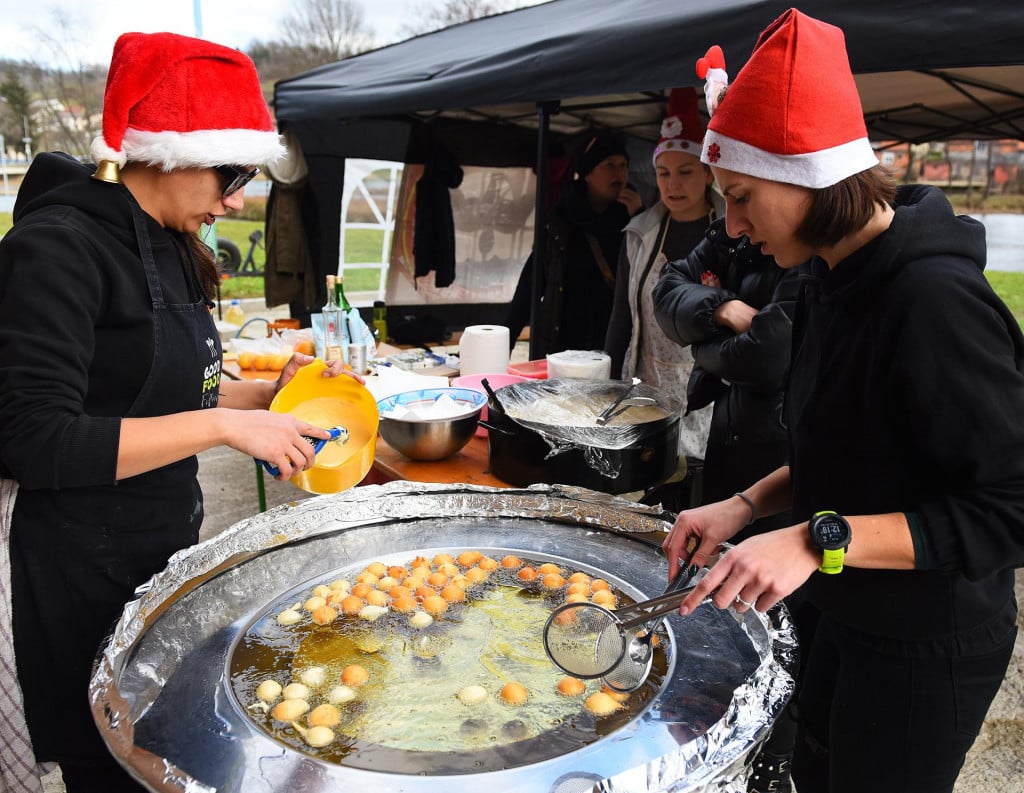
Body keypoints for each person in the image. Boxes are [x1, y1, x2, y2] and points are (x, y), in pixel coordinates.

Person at [663, 9, 1024, 793]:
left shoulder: (934, 304)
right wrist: (744, 502)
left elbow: (1008, 508)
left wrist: (811, 539)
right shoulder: (826, 274)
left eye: (744, 195)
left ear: (808, 176)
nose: (733, 224)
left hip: (926, 643)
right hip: (843, 608)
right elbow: (846, 443)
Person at [0, 33, 358, 793]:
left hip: (158, 541)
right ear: (166, 153)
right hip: (77, 562)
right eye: (229, 174)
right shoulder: (57, 249)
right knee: (114, 762)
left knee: (163, 744)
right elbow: (34, 439)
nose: (235, 200)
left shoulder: (173, 241)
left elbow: (165, 382)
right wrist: (226, 428)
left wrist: (262, 397)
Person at [604, 88, 721, 508]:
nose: (673, 184)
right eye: (664, 172)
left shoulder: (732, 232)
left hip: (710, 393)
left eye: (686, 171)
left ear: (708, 173)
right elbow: (622, 317)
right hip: (648, 388)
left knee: (700, 498)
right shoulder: (639, 234)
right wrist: (609, 387)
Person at [653, 217, 798, 537]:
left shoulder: (808, 254)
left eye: (742, 196)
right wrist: (725, 307)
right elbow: (665, 291)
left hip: (782, 444)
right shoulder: (732, 236)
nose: (732, 222)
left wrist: (700, 343)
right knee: (715, 559)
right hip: (727, 427)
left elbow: (767, 357)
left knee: (762, 566)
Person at [504, 131, 643, 357]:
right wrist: (506, 340)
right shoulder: (561, 219)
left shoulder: (635, 218)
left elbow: (648, 275)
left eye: (623, 165)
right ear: (587, 174)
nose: (619, 173)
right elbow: (531, 284)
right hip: (562, 342)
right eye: (609, 165)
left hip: (612, 344)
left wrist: (639, 217)